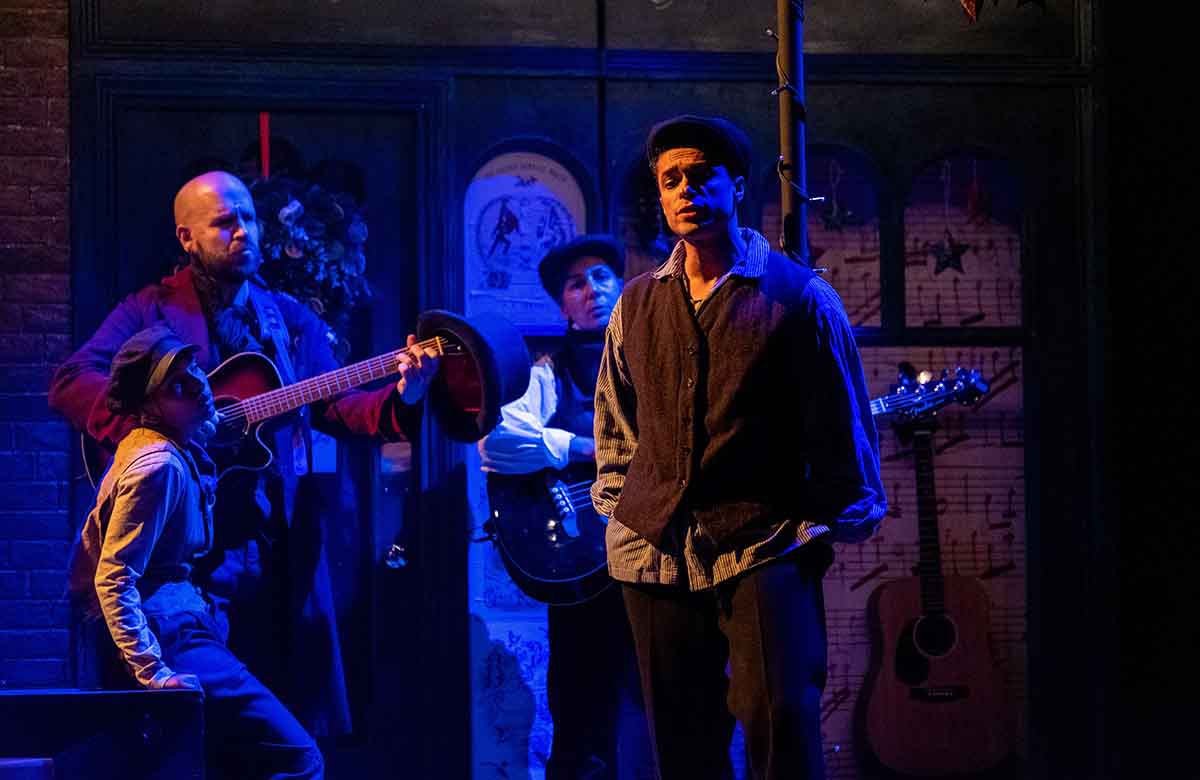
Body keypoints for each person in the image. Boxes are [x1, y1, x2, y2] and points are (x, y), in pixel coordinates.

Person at [49, 170, 440, 736]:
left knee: (277, 709)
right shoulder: (149, 311)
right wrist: (164, 427)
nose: (244, 233)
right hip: (177, 552)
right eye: (225, 223)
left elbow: (337, 404)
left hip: (269, 544)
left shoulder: (289, 319)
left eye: (250, 219)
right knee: (186, 725)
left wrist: (408, 393)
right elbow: (70, 380)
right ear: (187, 237)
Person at [590, 115, 887, 780]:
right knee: (681, 739)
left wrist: (842, 508)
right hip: (656, 549)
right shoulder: (636, 304)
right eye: (672, 180)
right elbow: (614, 417)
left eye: (701, 175)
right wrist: (621, 504)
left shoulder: (796, 295)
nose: (686, 190)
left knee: (780, 719)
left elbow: (840, 415)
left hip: (765, 536)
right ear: (660, 198)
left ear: (736, 185)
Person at [67, 324, 324, 778]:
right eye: (177, 385)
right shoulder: (158, 466)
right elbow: (114, 575)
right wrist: (153, 671)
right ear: (151, 405)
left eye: (195, 371)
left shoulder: (173, 443)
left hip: (181, 623)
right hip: (168, 632)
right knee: (300, 758)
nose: (199, 386)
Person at [478, 234, 653, 780]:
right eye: (577, 283)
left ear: (621, 288)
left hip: (655, 558)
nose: (592, 289)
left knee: (656, 703)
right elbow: (496, 440)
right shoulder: (546, 373)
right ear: (563, 304)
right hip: (583, 561)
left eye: (602, 277)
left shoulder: (658, 362)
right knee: (580, 710)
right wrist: (583, 448)